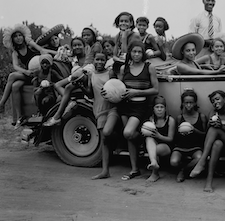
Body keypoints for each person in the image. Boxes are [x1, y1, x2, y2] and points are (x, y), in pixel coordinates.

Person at [0, 24, 51, 129]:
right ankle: (20, 117)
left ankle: (1, 105)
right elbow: (15, 66)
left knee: (12, 76)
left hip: (39, 72)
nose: (18, 38)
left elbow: (42, 50)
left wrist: (54, 54)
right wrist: (25, 72)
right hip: (29, 74)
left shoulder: (30, 44)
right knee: (15, 86)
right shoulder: (15, 52)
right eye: (15, 36)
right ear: (13, 40)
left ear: (23, 36)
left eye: (20, 35)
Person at [115, 41, 159, 181]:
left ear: (143, 53)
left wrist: (136, 92)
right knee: (129, 138)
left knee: (128, 132)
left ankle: (143, 139)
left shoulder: (149, 67)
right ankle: (134, 170)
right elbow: (119, 87)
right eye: (134, 52)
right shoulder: (124, 68)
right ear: (130, 52)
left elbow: (155, 90)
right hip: (125, 105)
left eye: (140, 52)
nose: (137, 54)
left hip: (140, 107)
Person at [78, 52, 120, 180]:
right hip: (99, 110)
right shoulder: (91, 75)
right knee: (104, 140)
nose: (100, 62)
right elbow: (91, 94)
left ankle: (118, 139)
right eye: (97, 60)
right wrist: (82, 87)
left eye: (103, 60)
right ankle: (105, 171)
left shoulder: (110, 73)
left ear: (106, 61)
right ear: (94, 61)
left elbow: (118, 88)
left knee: (107, 133)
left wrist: (110, 92)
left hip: (112, 107)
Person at [189, 90, 225, 192]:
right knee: (217, 143)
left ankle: (202, 161)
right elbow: (207, 134)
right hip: (218, 146)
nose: (215, 102)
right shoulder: (213, 113)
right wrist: (210, 125)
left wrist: (221, 126)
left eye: (217, 99)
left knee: (215, 130)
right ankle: (209, 182)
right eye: (213, 101)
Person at [43, 37, 88, 126]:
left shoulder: (87, 57)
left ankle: (57, 116)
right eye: (74, 46)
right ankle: (68, 103)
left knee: (64, 87)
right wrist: (64, 48)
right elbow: (59, 56)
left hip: (83, 78)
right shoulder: (73, 58)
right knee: (57, 87)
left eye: (79, 45)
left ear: (84, 46)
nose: (77, 47)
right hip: (75, 78)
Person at [170, 89, 208, 182]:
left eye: (191, 102)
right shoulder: (179, 118)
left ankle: (183, 170)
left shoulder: (201, 117)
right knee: (173, 162)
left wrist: (194, 130)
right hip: (181, 147)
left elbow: (205, 135)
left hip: (196, 147)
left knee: (199, 158)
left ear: (195, 103)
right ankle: (183, 168)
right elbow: (175, 137)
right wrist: (182, 132)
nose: (188, 105)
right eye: (186, 103)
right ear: (182, 103)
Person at [143, 95, 176, 182]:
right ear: (153, 109)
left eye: (162, 107)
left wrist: (159, 136)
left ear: (165, 109)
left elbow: (171, 139)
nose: (159, 109)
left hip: (167, 146)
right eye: (157, 107)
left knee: (154, 150)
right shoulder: (151, 120)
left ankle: (155, 173)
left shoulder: (170, 120)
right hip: (154, 144)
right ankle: (154, 163)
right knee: (148, 139)